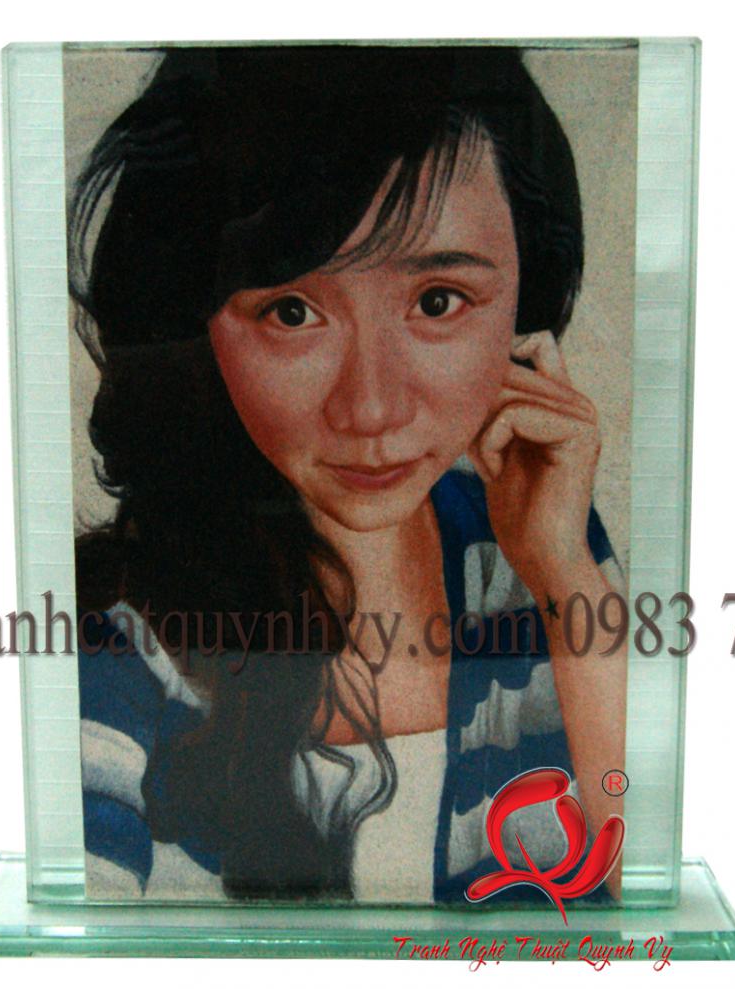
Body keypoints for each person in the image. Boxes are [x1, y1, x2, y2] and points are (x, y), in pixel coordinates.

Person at [68, 45, 629, 904]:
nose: (371, 408)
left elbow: (643, 882)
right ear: (194, 320)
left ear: (526, 298)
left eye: (437, 302)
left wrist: (562, 572)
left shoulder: (539, 541)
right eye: (292, 312)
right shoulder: (123, 633)